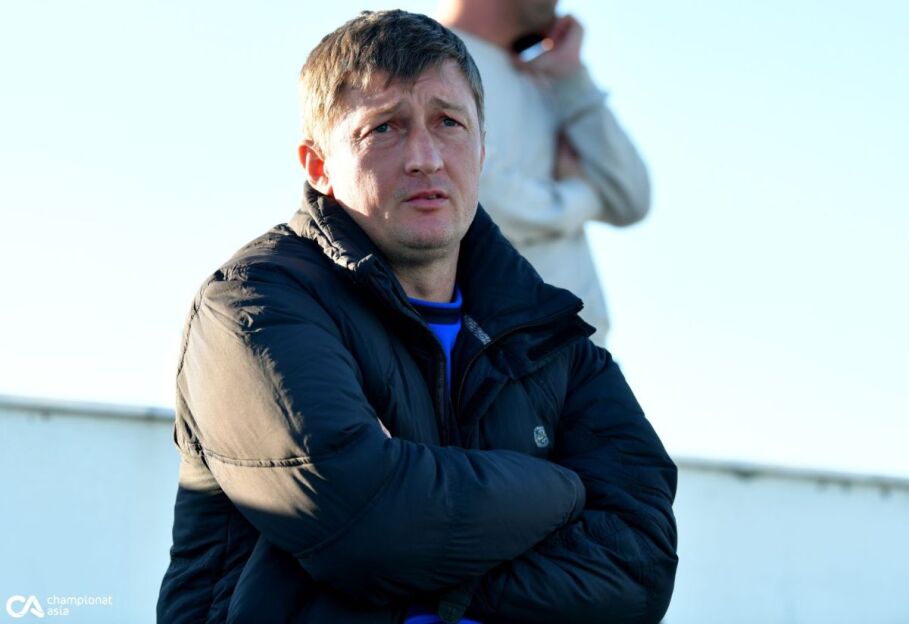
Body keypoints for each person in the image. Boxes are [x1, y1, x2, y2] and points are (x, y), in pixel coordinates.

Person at [157, 10, 676, 624]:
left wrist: (433, 550)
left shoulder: (549, 333)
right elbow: (368, 529)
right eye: (384, 128)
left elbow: (638, 568)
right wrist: (564, 491)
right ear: (318, 166)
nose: (425, 158)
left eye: (448, 123)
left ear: (481, 149)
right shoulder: (252, 307)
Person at [438, 0, 651, 342]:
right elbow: (480, 199)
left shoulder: (544, 76)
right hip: (503, 353)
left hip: (585, 358)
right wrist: (581, 195)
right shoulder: (427, 64)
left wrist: (573, 79)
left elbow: (631, 199)